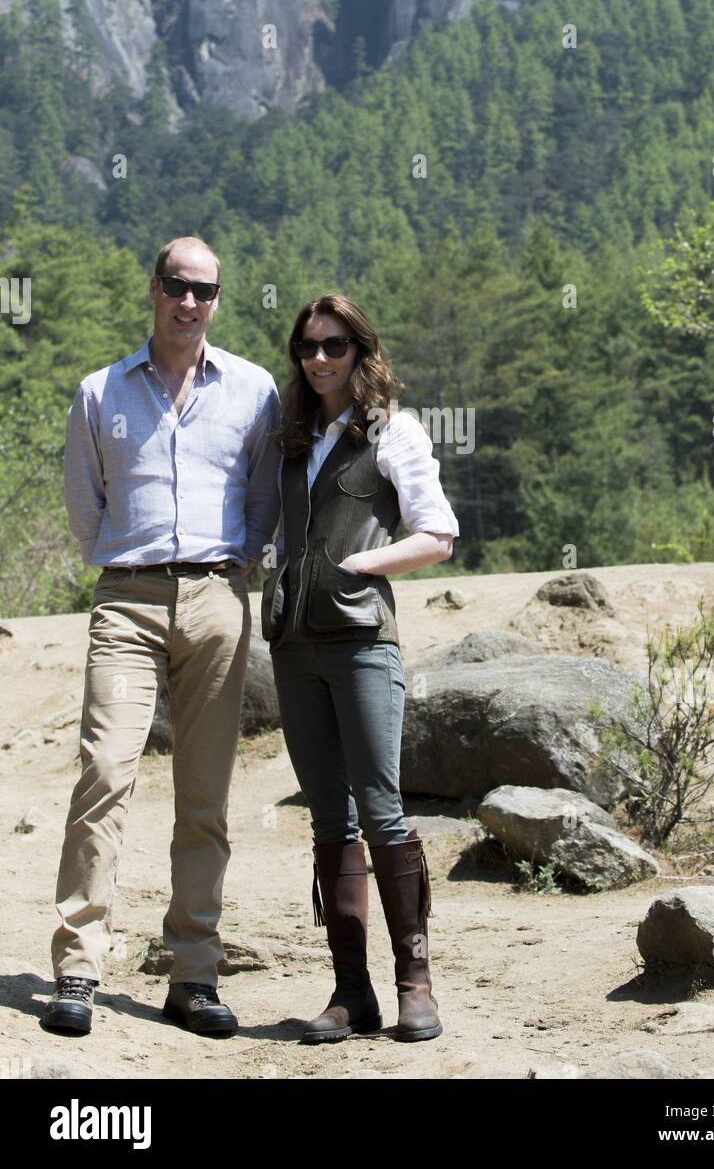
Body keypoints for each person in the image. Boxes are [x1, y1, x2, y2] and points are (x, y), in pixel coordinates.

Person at [44, 236, 281, 1038]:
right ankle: (77, 969)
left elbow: (262, 498)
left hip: (218, 599)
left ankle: (194, 975)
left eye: (205, 291)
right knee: (104, 775)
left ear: (218, 299)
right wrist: (127, 567)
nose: (190, 302)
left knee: (205, 796)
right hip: (127, 600)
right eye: (177, 286)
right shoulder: (98, 391)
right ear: (153, 288)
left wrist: (235, 571)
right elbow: (87, 510)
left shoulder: (253, 390)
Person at [262, 294, 459, 1043]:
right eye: (306, 346)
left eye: (333, 345)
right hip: (292, 647)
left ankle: (415, 985)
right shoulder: (287, 438)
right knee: (328, 820)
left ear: (359, 350)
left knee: (381, 810)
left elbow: (437, 534)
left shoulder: (393, 431)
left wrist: (359, 564)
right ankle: (351, 995)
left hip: (362, 642)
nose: (317, 359)